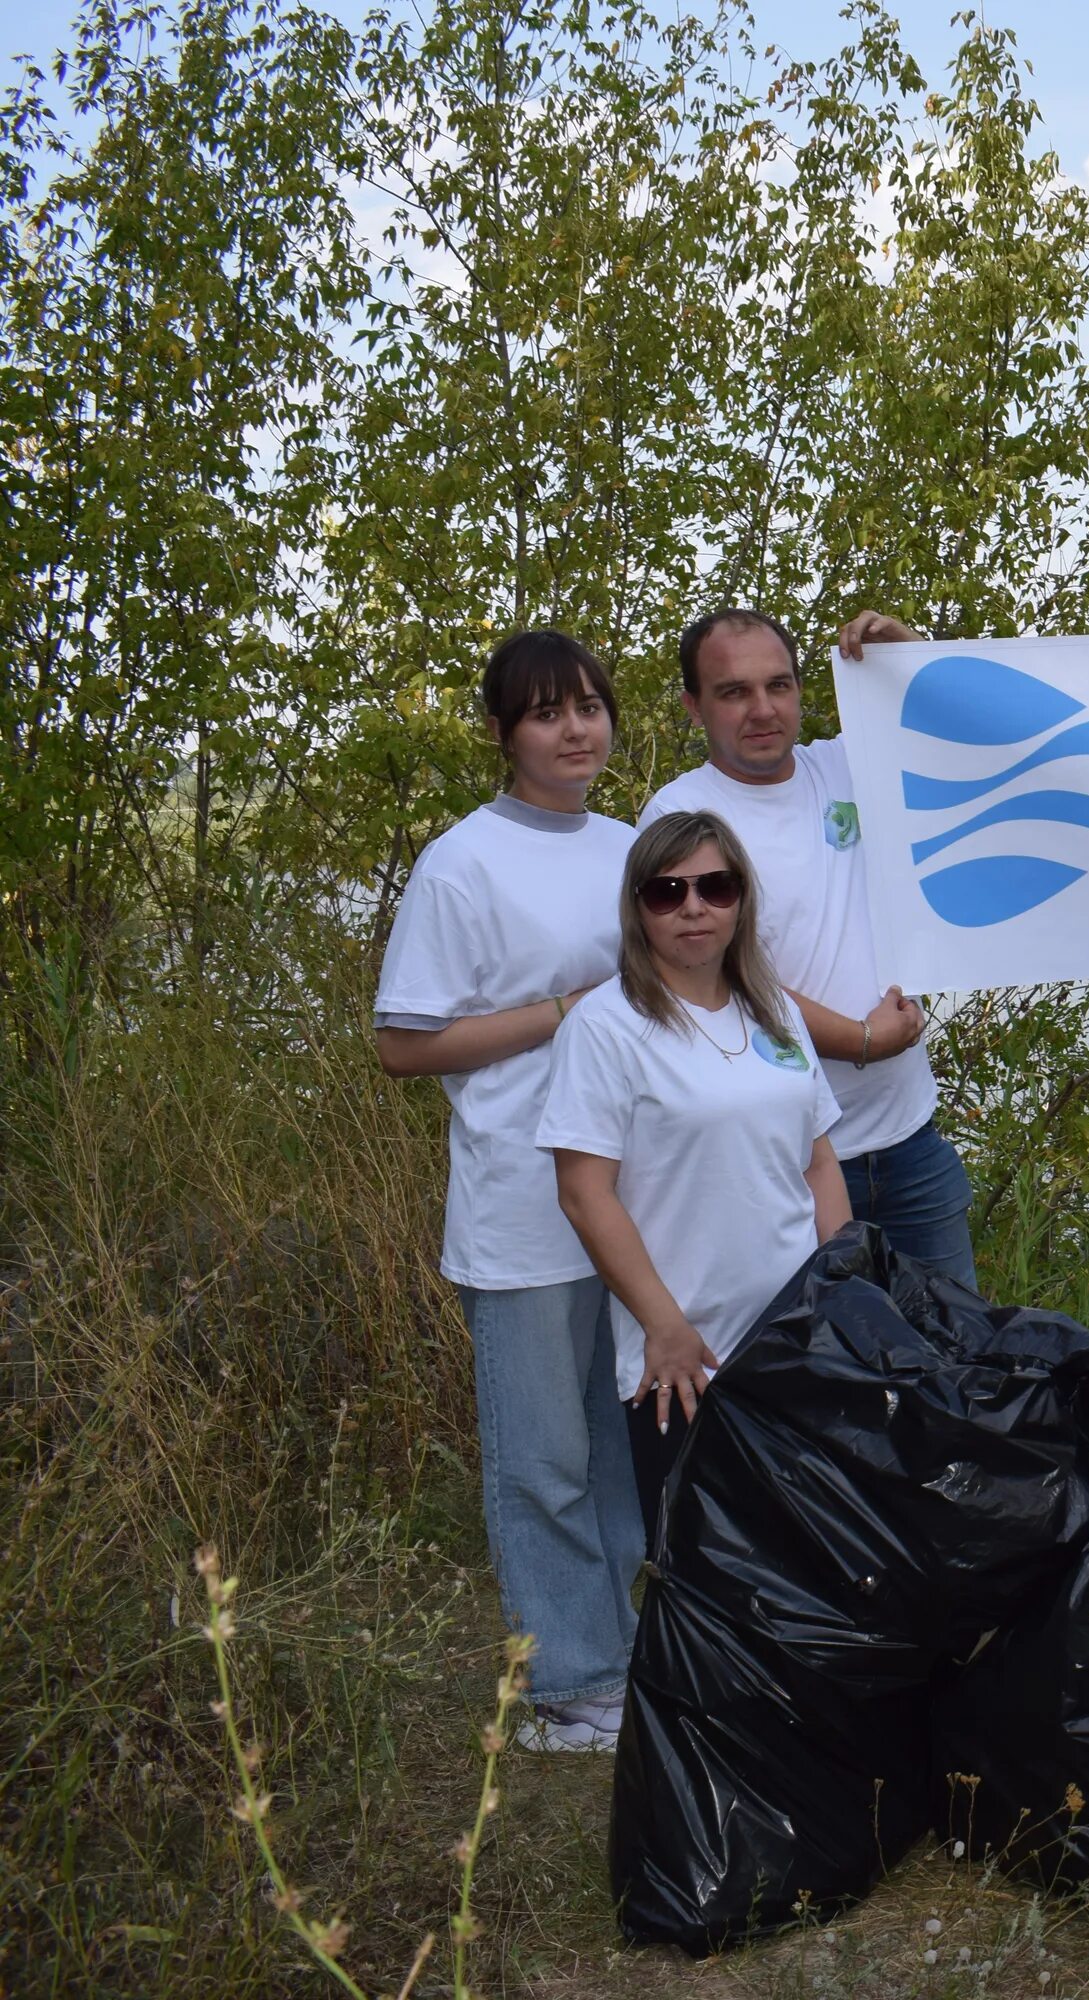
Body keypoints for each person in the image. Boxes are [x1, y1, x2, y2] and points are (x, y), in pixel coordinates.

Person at [374, 631, 643, 1753]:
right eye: (546, 712)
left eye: (589, 705)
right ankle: (568, 1684)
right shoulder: (462, 862)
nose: (575, 728)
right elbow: (403, 1042)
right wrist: (558, 1014)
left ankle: (635, 1654)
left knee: (621, 1441)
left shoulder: (636, 849)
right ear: (502, 731)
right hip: (522, 1206)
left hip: (632, 1198)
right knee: (541, 1456)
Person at [637, 607, 970, 1286]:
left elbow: (970, 733)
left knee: (956, 1373)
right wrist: (857, 1039)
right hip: (784, 1163)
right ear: (692, 707)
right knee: (822, 1381)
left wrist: (904, 651)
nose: (763, 709)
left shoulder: (849, 767)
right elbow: (711, 976)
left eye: (780, 686)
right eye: (734, 692)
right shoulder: (678, 817)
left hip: (909, 1142)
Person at [537, 812, 850, 1535]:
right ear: (637, 906)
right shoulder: (606, 1026)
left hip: (799, 1338)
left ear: (741, 898)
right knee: (709, 1573)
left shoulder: (772, 1012)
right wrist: (664, 1326)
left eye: (716, 886)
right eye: (666, 891)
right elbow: (584, 1194)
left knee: (810, 1551)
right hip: (688, 1358)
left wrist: (840, 1287)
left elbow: (819, 1160)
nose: (694, 907)